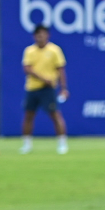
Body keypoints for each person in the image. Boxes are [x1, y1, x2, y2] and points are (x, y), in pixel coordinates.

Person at [21, 24, 69, 155]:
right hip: (32, 88)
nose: (40, 37)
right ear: (34, 36)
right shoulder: (29, 51)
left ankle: (62, 144)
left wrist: (64, 88)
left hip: (48, 89)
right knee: (29, 115)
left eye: (42, 34)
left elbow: (60, 69)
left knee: (55, 115)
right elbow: (27, 69)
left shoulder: (54, 50)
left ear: (47, 35)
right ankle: (26, 144)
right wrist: (44, 78)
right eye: (38, 35)